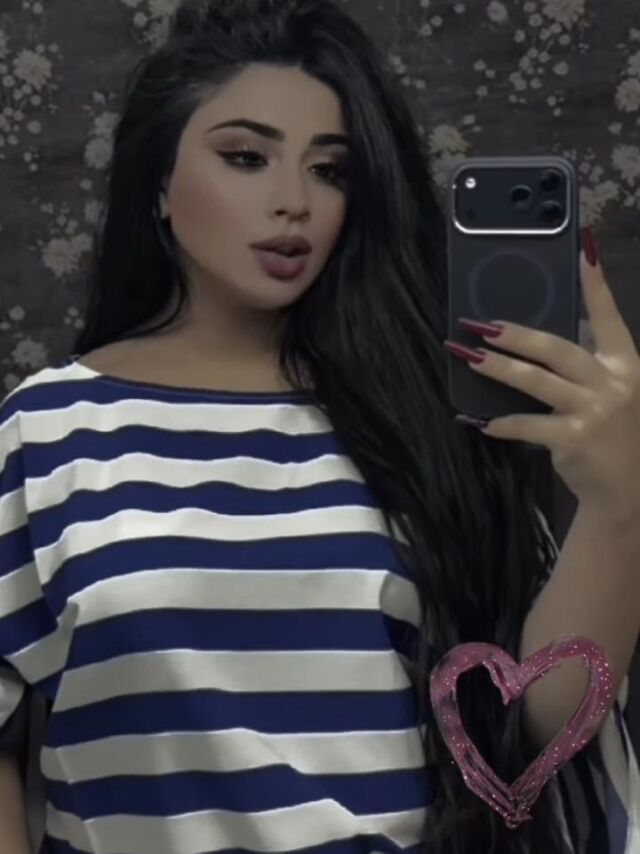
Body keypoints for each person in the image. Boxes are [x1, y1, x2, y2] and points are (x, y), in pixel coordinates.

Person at [0, 1, 637, 853]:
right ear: (158, 181)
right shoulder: (45, 429)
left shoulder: (421, 420)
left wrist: (620, 505)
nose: (293, 202)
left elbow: (526, 730)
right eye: (245, 157)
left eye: (330, 170)